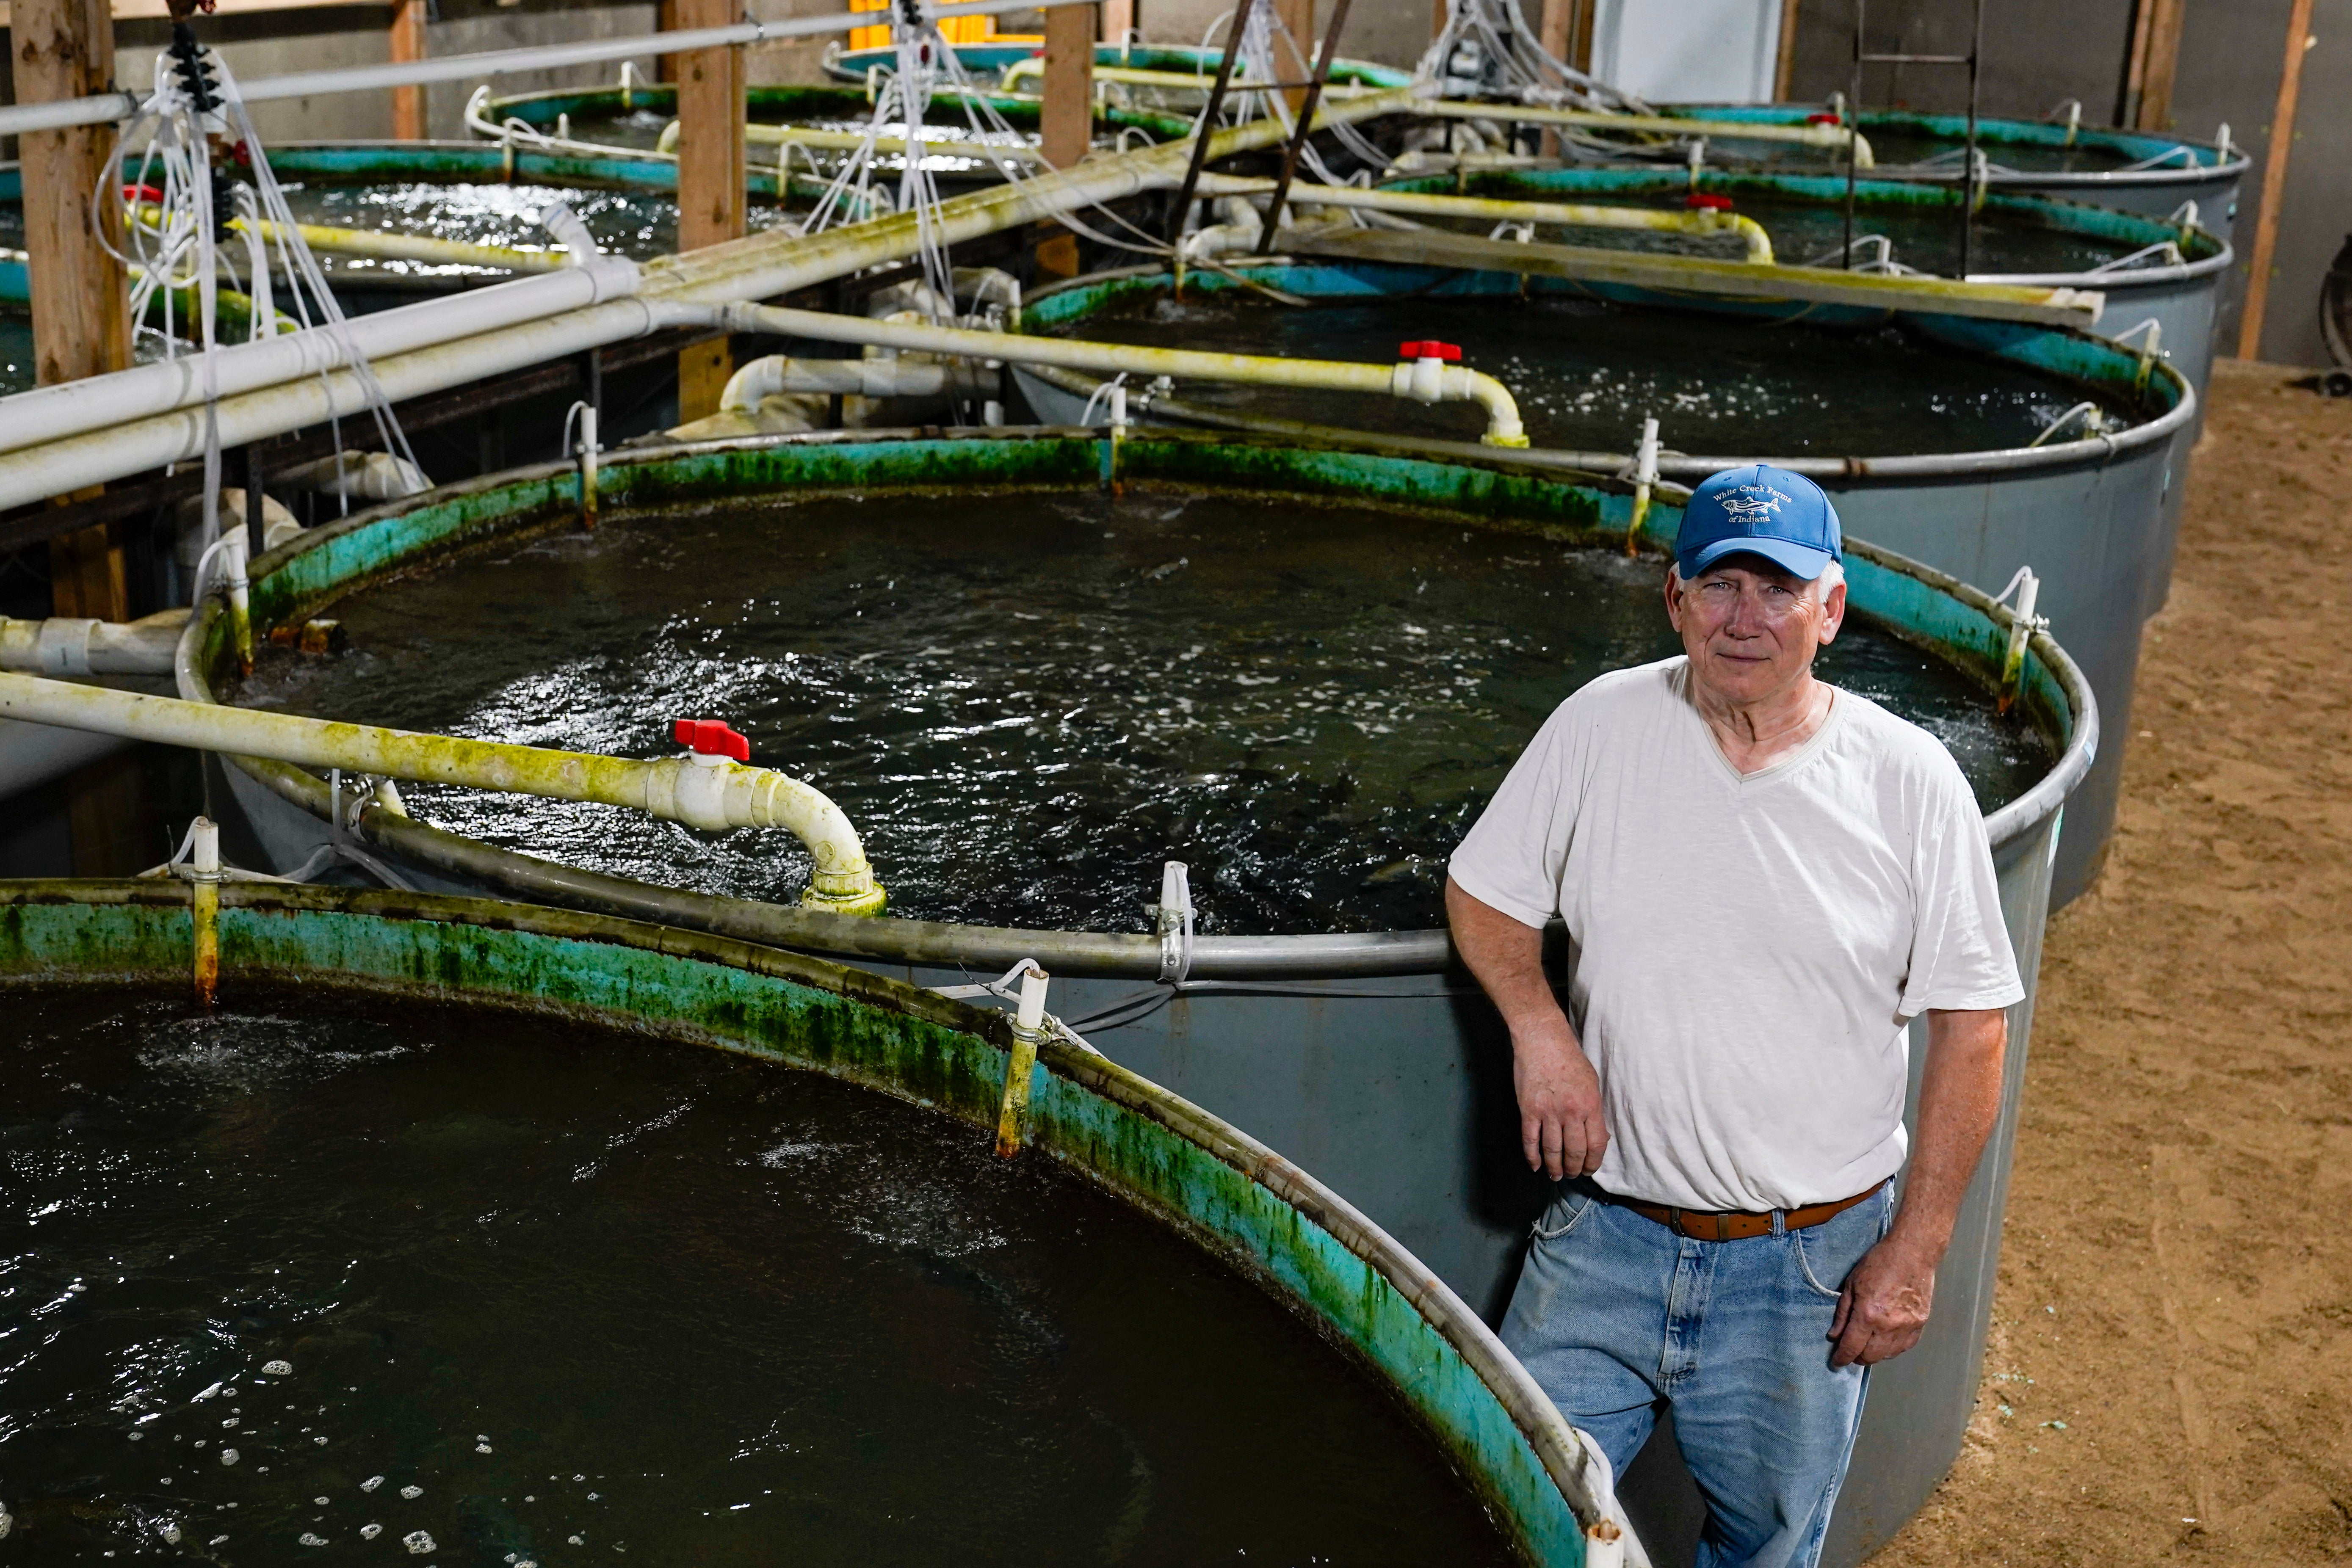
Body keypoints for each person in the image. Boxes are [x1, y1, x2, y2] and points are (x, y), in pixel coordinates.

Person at [1445, 464, 2021, 1568]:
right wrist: (1538, 1028)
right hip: (1600, 1237)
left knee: (1763, 1551)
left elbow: (1971, 1027)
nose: (1743, 619)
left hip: (1803, 1267)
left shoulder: (1909, 781)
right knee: (1510, 1510)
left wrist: (1915, 1250)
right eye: (1718, 586)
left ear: (1832, 608)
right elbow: (1483, 892)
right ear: (1674, 599)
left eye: (1778, 589)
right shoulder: (1599, 726)